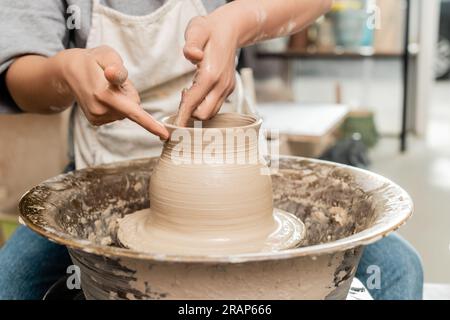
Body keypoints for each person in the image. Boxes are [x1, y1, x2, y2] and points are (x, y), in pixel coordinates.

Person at [0, 0, 422, 299]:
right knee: (12, 282)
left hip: (241, 169)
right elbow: (19, 73)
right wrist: (64, 72)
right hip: (103, 163)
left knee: (400, 270)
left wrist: (241, 20)